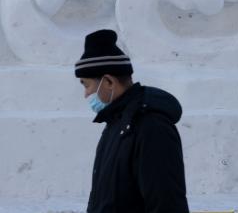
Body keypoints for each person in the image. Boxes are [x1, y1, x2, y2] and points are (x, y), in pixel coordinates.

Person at [75, 29, 189, 213]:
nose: (86, 94)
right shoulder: (116, 123)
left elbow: (166, 203)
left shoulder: (152, 127)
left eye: (87, 84)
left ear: (109, 82)